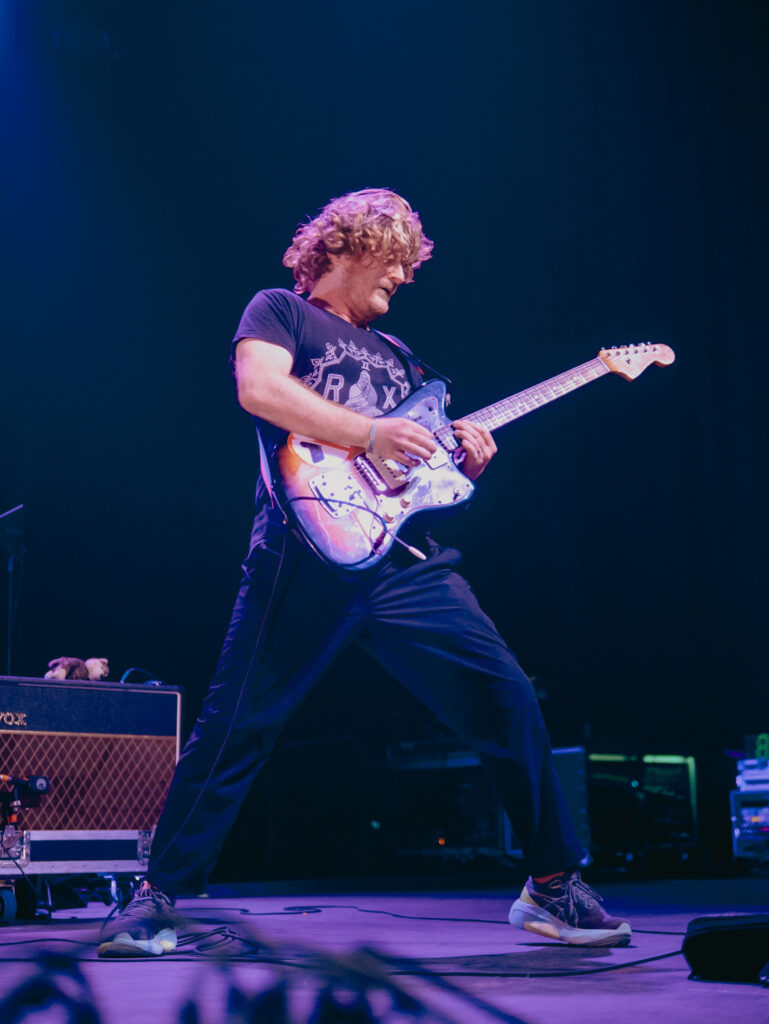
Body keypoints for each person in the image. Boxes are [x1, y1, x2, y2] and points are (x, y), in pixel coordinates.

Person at [98, 188, 631, 958]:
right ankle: (156, 898)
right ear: (350, 245)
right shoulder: (281, 310)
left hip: (403, 565)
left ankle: (551, 885)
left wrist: (462, 460)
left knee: (505, 695)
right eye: (396, 259)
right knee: (237, 724)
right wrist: (371, 432)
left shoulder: (406, 361)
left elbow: (420, 476)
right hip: (304, 549)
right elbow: (259, 390)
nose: (405, 277)